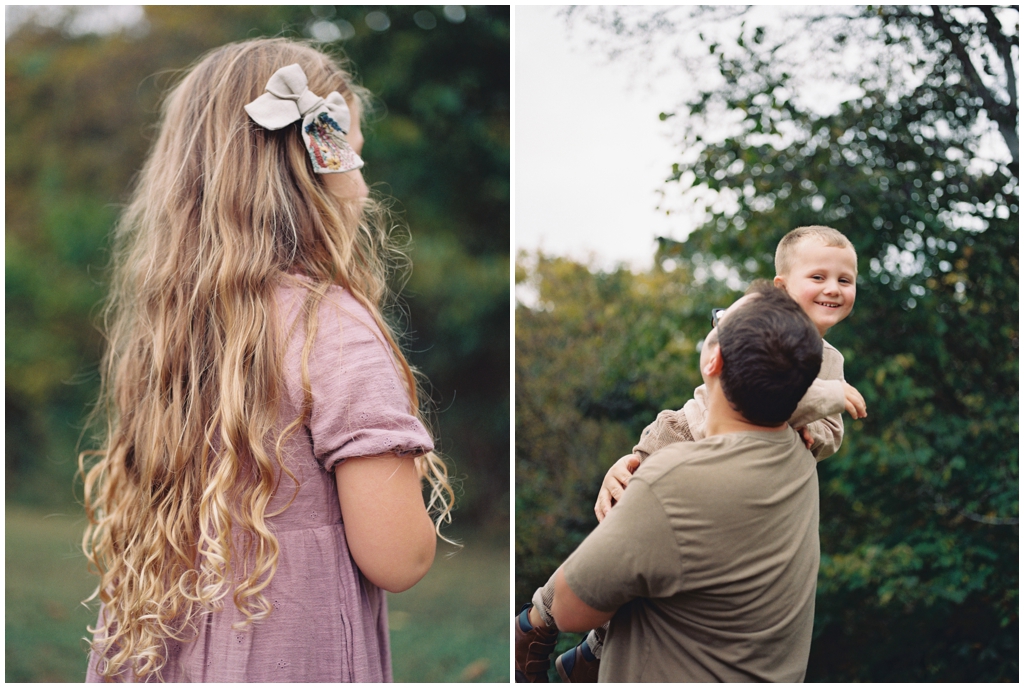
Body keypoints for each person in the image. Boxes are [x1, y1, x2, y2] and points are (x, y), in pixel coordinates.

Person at [79, 38, 454, 682]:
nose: (362, 177)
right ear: (326, 160)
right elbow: (399, 557)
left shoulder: (173, 332)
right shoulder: (329, 328)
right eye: (353, 153)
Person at [515, 225, 866, 681]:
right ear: (782, 287)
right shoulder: (758, 329)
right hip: (684, 436)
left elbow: (788, 407)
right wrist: (629, 462)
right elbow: (760, 393)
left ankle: (577, 645)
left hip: (714, 472)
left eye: (845, 280)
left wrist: (821, 408)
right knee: (633, 551)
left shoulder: (826, 362)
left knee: (650, 560)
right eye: (818, 277)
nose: (833, 290)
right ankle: (549, 630)